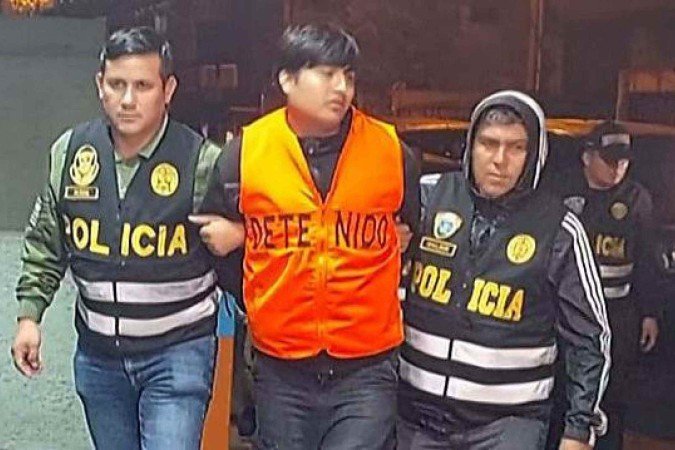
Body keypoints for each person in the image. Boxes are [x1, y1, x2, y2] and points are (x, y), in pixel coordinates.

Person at [10, 26, 243, 450]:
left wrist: (240, 232)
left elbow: (264, 233)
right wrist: (30, 317)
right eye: (117, 85)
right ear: (100, 85)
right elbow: (46, 242)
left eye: (143, 86)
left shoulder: (203, 162)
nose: (128, 99)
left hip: (178, 353)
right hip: (99, 358)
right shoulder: (71, 152)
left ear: (168, 90)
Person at [193, 23, 420, 449]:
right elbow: (215, 244)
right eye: (327, 74)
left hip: (366, 368)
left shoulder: (390, 151)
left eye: (348, 76)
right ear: (287, 79)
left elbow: (410, 231)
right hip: (281, 368)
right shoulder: (247, 151)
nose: (341, 88)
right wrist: (259, 290)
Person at [397, 90, 610, 450]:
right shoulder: (426, 199)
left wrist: (579, 429)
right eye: (488, 144)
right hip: (415, 418)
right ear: (470, 146)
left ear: (535, 155)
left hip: (508, 426)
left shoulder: (559, 228)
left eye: (516, 148)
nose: (499, 160)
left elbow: (589, 338)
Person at [557, 122, 661, 450]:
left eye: (624, 161)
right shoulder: (563, 192)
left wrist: (649, 313)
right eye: (610, 159)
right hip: (566, 314)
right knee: (563, 390)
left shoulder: (636, 199)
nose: (618, 168)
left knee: (613, 396)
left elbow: (647, 259)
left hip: (618, 313)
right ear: (587, 157)